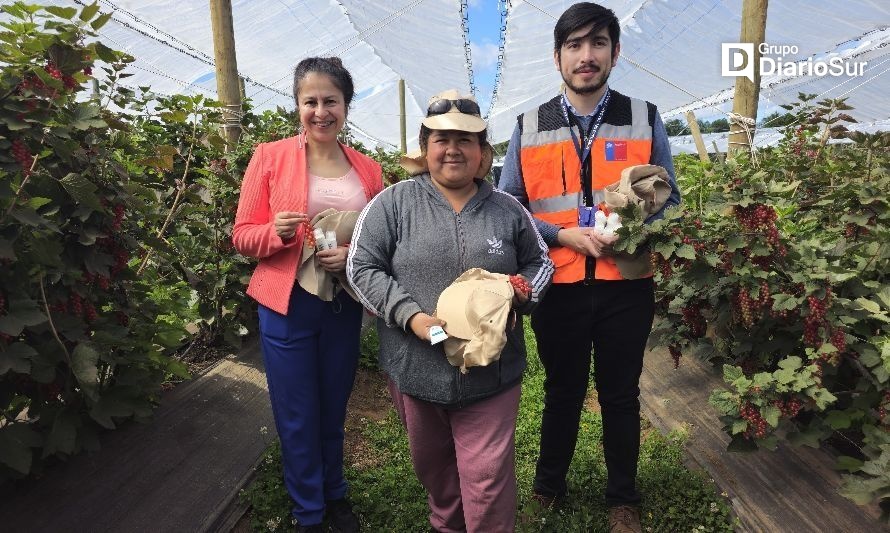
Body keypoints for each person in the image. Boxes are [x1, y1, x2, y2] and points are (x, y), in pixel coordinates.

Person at [497, 3, 681, 533]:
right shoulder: (529, 125)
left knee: (621, 393)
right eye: (574, 45)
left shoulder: (644, 116)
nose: (586, 55)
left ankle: (623, 496)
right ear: (558, 57)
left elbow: (669, 196)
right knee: (563, 391)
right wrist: (562, 234)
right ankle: (548, 486)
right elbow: (511, 208)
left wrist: (634, 225)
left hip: (627, 281)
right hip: (561, 284)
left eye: (598, 43)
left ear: (614, 52)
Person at [347, 89, 553, 533]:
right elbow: (361, 266)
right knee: (435, 472)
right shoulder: (394, 204)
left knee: (487, 478)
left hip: (491, 372)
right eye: (441, 139)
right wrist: (412, 317)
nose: (453, 149)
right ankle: (447, 523)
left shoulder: (507, 210)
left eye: (466, 139)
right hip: (415, 367)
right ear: (425, 147)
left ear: (482, 152)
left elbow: (540, 262)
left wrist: (522, 291)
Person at [232, 57, 383, 533]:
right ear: (297, 105)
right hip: (288, 305)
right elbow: (241, 236)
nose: (321, 111)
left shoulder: (368, 170)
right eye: (310, 101)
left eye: (330, 101)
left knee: (333, 406)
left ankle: (335, 494)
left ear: (346, 105)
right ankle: (309, 513)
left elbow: (379, 240)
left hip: (341, 305)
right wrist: (274, 232)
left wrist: (353, 261)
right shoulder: (270, 157)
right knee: (297, 414)